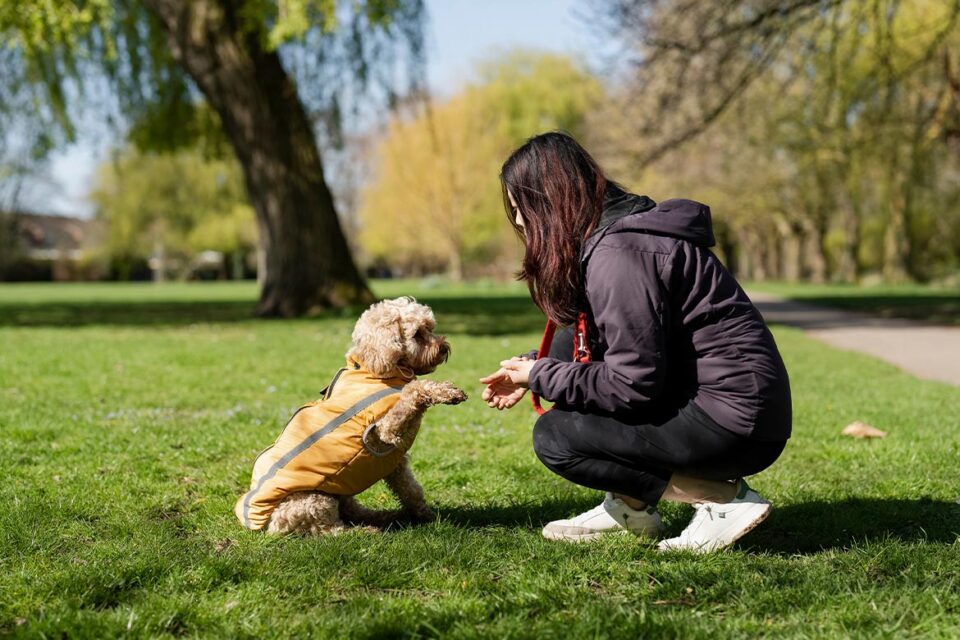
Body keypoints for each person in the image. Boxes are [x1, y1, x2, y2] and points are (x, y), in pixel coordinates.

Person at [479, 132, 791, 552]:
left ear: (551, 202)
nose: (518, 223)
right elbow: (614, 346)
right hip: (733, 406)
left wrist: (542, 374)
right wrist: (532, 368)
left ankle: (722, 500)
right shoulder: (619, 239)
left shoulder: (619, 255)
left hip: (734, 421)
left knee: (557, 436)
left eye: (521, 209)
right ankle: (630, 505)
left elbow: (632, 384)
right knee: (565, 371)